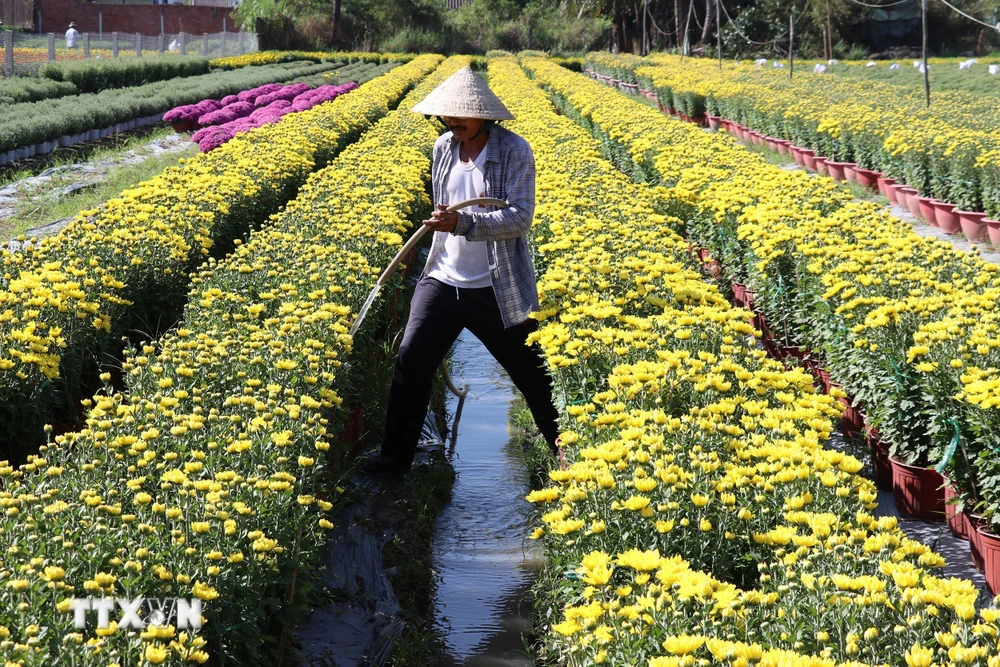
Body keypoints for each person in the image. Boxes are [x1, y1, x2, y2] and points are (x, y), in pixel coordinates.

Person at [362, 67, 560, 476]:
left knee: (532, 376)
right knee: (411, 360)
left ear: (485, 117)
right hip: (443, 277)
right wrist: (445, 222)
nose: (454, 124)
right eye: (448, 117)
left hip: (495, 286)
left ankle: (569, 455)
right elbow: (446, 206)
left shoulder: (514, 151)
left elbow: (521, 218)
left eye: (462, 117)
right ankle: (394, 458)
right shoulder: (443, 148)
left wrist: (465, 224)